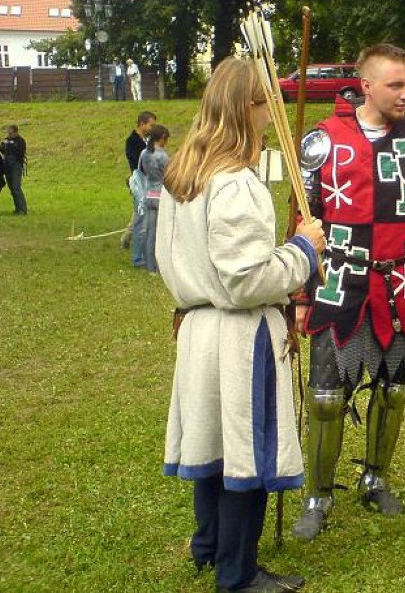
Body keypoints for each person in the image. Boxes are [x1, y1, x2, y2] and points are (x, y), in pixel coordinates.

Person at [291, 43, 405, 541]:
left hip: (404, 282)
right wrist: (300, 292)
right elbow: (302, 221)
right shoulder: (324, 141)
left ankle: (375, 477)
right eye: (396, 85)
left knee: (395, 390)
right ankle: (318, 496)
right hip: (342, 280)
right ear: (366, 85)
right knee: (327, 397)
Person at [157, 57, 325, 593]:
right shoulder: (235, 184)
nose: (270, 117)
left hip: (200, 330)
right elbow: (247, 281)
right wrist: (304, 250)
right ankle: (237, 574)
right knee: (245, 452)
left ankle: (210, 547)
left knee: (213, 445)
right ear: (248, 108)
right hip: (236, 335)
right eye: (265, 105)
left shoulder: (185, 174)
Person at [122, 111, 158, 263]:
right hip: (139, 183)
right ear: (142, 124)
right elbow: (138, 162)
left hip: (151, 182)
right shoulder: (132, 141)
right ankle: (139, 257)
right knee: (142, 215)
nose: (153, 128)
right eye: (151, 125)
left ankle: (127, 236)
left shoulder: (149, 140)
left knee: (140, 214)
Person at [140, 124, 170, 273]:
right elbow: (169, 176)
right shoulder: (163, 156)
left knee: (150, 231)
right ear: (162, 137)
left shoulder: (144, 153)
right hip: (160, 196)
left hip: (148, 194)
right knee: (161, 232)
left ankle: (149, 265)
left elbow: (141, 171)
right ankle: (160, 265)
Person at [0, 125, 27, 215]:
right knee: (11, 187)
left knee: (16, 187)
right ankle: (17, 208)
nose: (9, 135)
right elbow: (3, 152)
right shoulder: (6, 140)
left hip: (16, 166)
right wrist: (2, 147)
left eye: (10, 133)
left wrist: (10, 146)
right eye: (8, 133)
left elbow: (20, 153)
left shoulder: (20, 141)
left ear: (16, 132)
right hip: (7, 166)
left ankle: (22, 209)